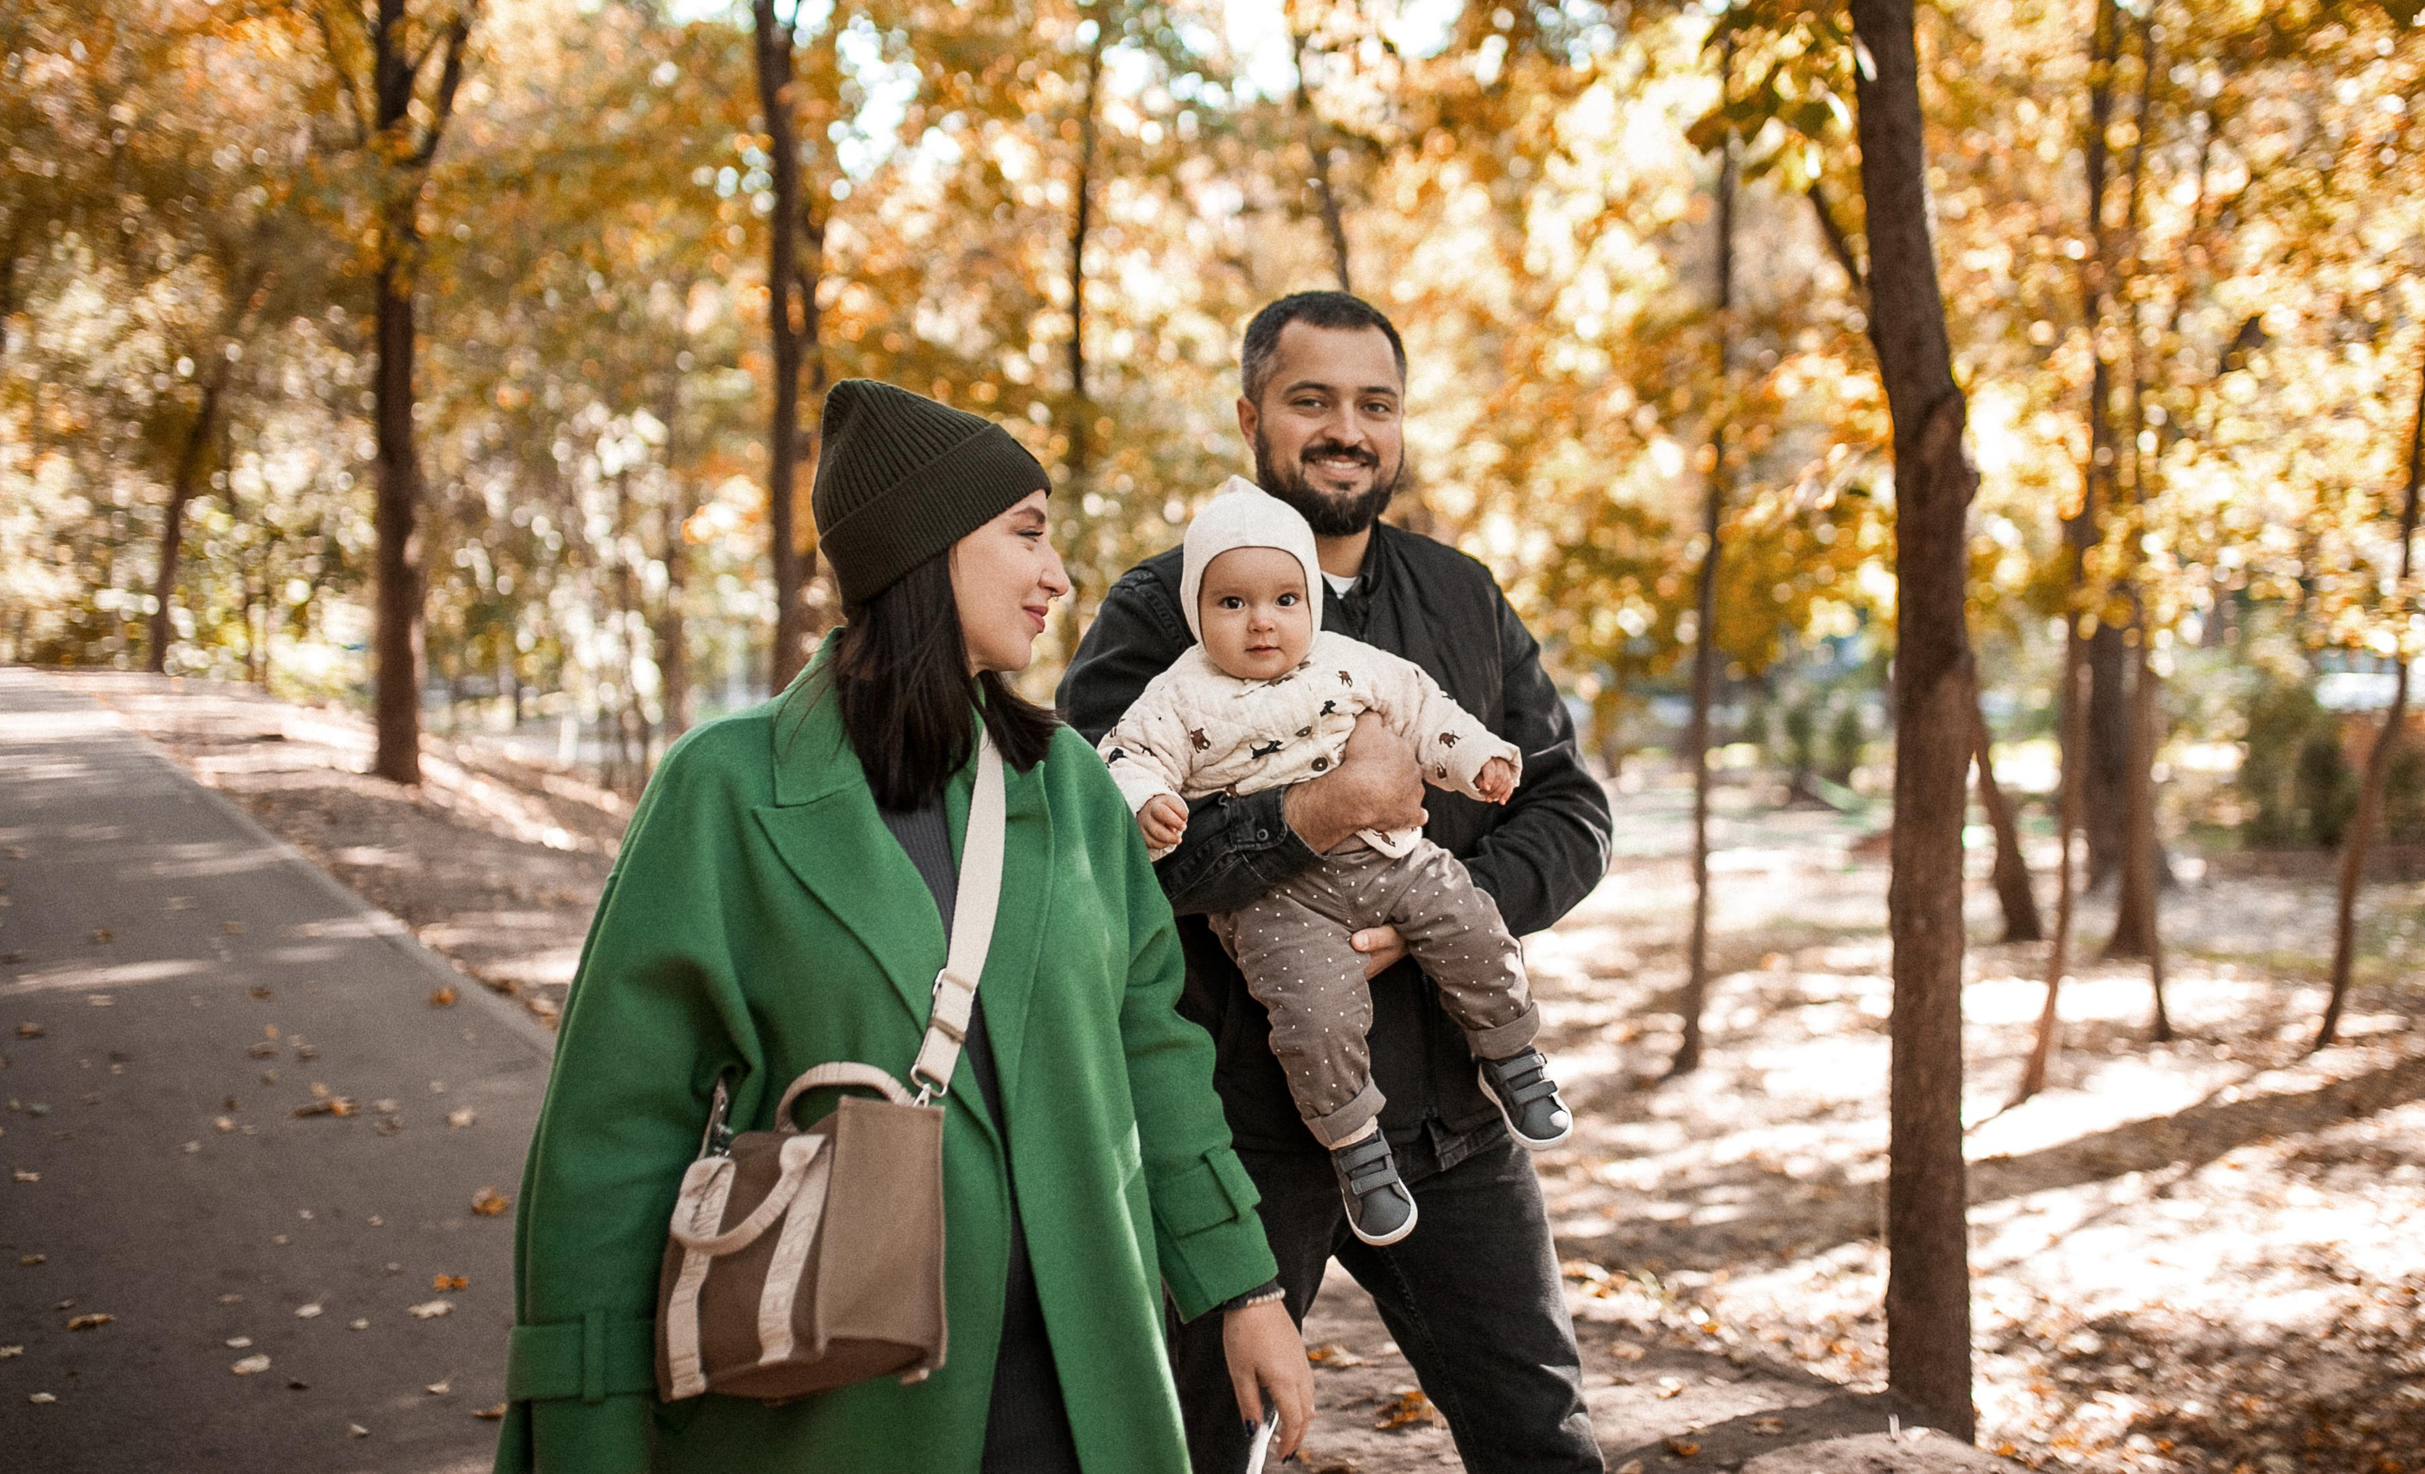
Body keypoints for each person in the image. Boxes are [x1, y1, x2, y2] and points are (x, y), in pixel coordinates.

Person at [498, 381, 1313, 1474]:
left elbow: (1153, 1054)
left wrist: (1242, 1286)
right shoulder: (726, 790)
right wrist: (583, 1424)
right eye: (1026, 533)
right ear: (926, 551)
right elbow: (615, 1136)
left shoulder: (1072, 788)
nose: (1057, 576)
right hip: (830, 1407)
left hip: (1084, 1394)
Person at [1059, 291, 1614, 1474]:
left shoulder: (1460, 596)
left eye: (1376, 405)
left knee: (1544, 1441)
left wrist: (1438, 908)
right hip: (1241, 1131)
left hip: (1459, 1121)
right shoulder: (1158, 611)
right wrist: (1319, 816)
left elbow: (1569, 807)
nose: (1345, 430)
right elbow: (1099, 854)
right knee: (1206, 1449)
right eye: (1312, 400)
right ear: (1253, 414)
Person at [1096, 476, 1569, 1248]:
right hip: (1276, 897)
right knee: (1313, 1015)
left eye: (1286, 599)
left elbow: (1426, 713)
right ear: (1196, 611)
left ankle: (1513, 1054)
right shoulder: (1176, 695)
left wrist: (1478, 757)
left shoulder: (1349, 663)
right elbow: (1123, 755)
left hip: (1389, 855)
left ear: (1311, 601)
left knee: (1470, 918)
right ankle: (1357, 1146)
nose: (1262, 623)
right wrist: (1145, 802)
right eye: (1232, 603)